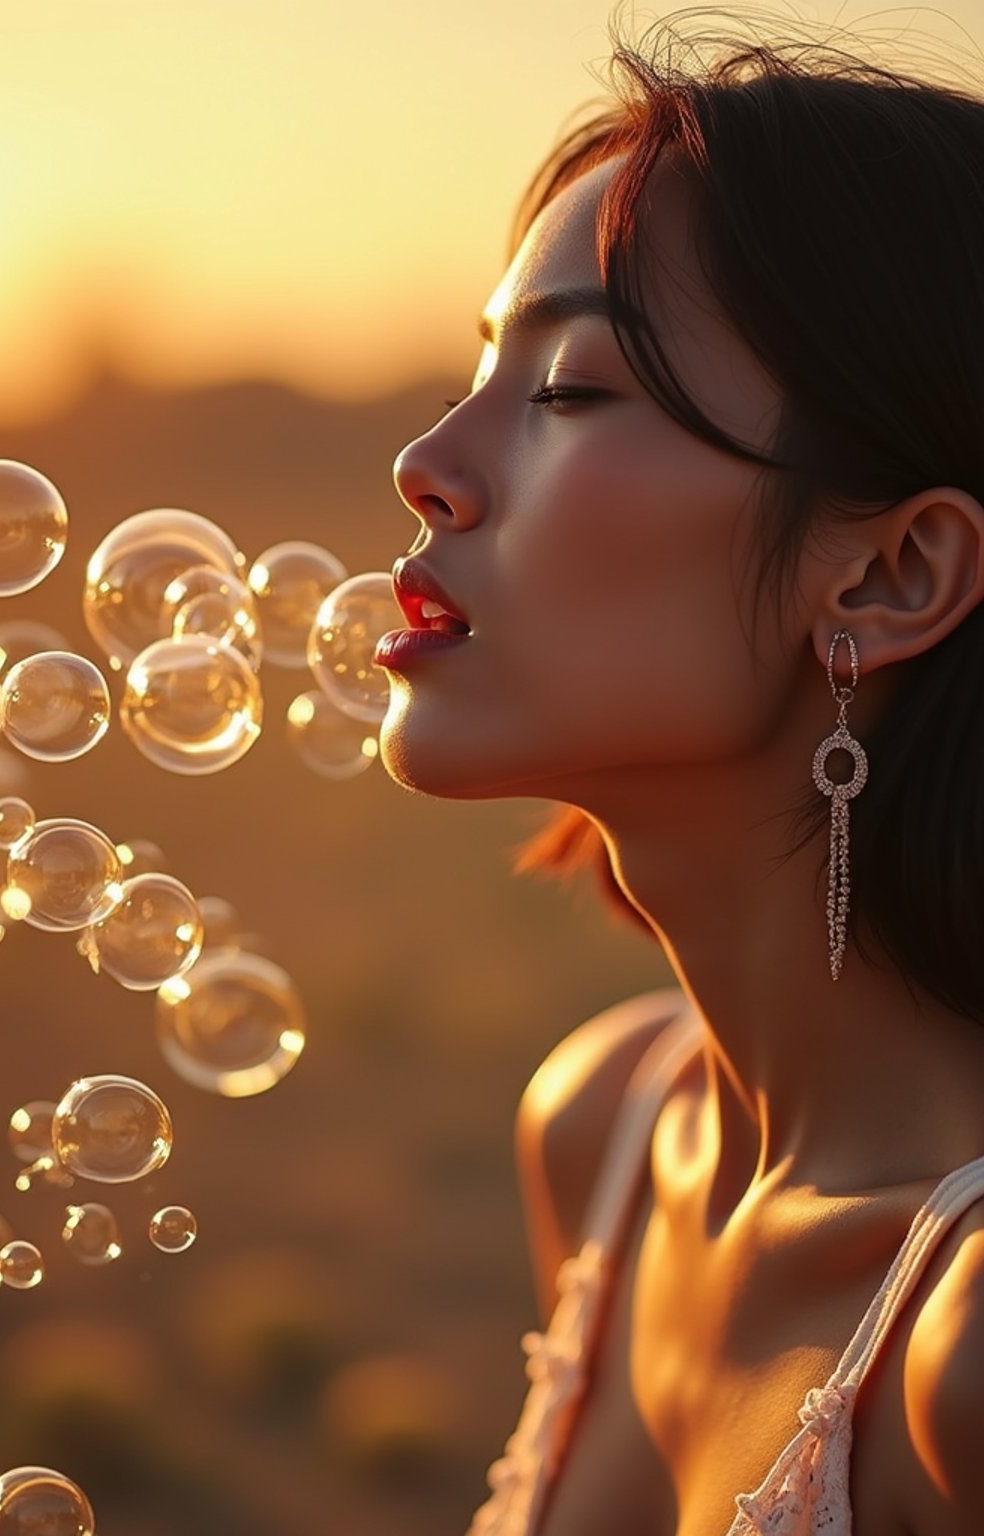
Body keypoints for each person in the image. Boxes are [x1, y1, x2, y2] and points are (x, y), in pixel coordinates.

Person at [373, 8, 984, 1533]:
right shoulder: (605, 1129)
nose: (428, 461)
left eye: (572, 389)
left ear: (891, 577)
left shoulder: (964, 1361)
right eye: (478, 370)